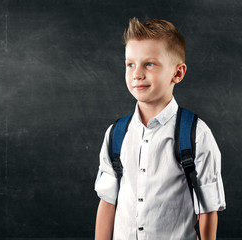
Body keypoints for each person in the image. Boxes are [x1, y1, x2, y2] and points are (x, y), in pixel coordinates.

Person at [94, 18, 226, 240]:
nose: (137, 74)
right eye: (130, 64)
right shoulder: (116, 134)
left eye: (150, 64)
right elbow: (108, 202)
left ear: (178, 73)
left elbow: (208, 209)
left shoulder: (196, 135)